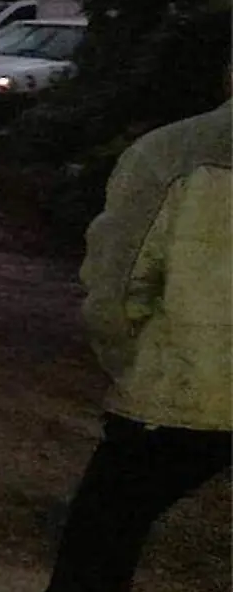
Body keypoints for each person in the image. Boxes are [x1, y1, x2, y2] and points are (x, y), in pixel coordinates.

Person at [43, 89, 230, 592]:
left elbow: (117, 286)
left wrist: (131, 364)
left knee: (100, 543)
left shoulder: (174, 153)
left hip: (184, 394)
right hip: (191, 391)